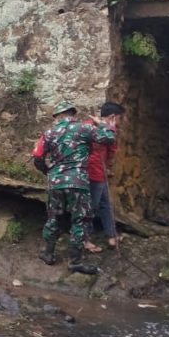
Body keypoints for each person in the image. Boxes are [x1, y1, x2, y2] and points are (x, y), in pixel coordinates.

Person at [32, 100, 115, 275]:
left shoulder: (49, 133)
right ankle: (75, 261)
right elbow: (108, 138)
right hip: (78, 182)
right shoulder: (84, 128)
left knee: (53, 217)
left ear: (58, 116)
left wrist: (48, 172)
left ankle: (48, 254)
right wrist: (102, 124)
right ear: (72, 114)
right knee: (80, 219)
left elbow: (37, 156)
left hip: (55, 183)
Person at [85, 102, 125, 250]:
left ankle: (111, 235)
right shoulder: (93, 127)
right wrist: (110, 128)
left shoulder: (101, 127)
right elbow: (112, 146)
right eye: (119, 118)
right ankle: (84, 239)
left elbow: (112, 148)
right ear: (113, 117)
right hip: (93, 172)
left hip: (100, 173)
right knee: (92, 206)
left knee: (105, 204)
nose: (120, 122)